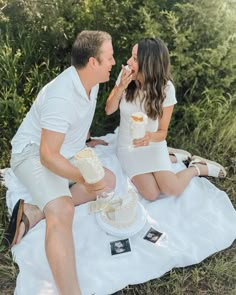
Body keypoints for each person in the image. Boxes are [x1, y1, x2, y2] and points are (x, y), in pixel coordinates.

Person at [4, 30, 116, 295]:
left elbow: (79, 120)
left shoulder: (93, 83)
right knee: (63, 209)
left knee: (107, 181)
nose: (113, 62)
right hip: (32, 153)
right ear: (92, 62)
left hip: (62, 151)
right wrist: (81, 176)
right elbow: (47, 155)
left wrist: (86, 141)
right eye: (109, 58)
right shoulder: (61, 96)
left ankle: (34, 210)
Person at [105, 37, 226, 201]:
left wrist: (149, 137)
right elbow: (109, 110)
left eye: (134, 58)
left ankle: (196, 168)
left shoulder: (166, 89)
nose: (128, 61)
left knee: (172, 189)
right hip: (128, 146)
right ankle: (174, 157)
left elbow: (162, 132)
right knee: (152, 194)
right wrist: (120, 87)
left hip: (153, 143)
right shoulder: (126, 74)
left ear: (149, 64)